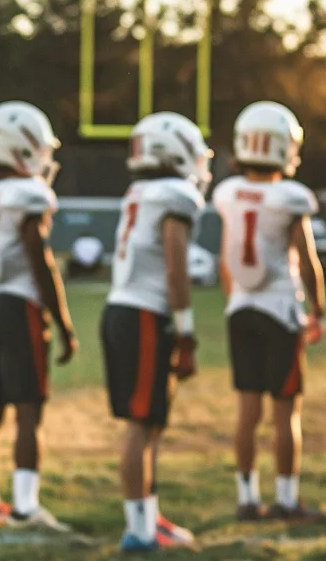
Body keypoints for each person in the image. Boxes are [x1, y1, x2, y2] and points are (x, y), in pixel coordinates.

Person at [0, 100, 78, 531]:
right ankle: (26, 508)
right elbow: (39, 259)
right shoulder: (29, 194)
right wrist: (62, 323)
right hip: (17, 305)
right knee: (29, 409)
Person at [212, 101, 326, 522]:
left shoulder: (226, 193)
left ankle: (246, 498)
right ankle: (285, 498)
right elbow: (308, 259)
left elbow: (227, 259)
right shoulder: (291, 197)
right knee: (285, 411)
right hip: (279, 310)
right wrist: (320, 310)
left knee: (247, 410)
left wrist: (234, 300)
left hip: (240, 308)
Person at [102, 112, 212, 552]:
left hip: (126, 309)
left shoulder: (142, 190)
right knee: (141, 424)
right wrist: (186, 333)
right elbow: (176, 263)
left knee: (150, 423)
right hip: (145, 313)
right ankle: (138, 531)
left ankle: (149, 517)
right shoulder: (176, 193)